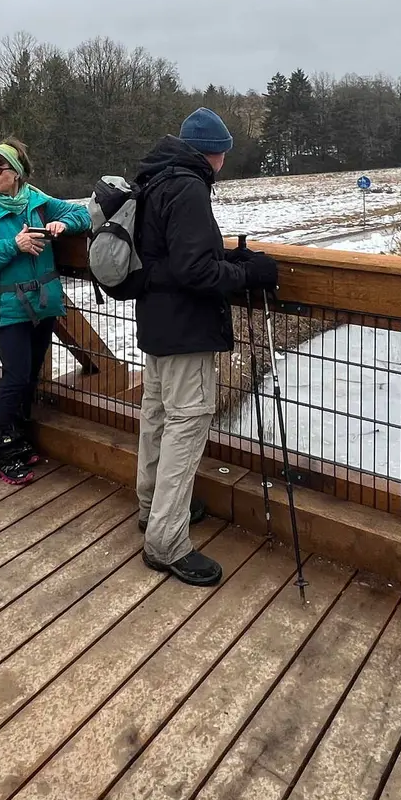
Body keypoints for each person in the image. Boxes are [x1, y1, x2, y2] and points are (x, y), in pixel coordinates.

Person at [132, 108, 278, 587]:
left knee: (157, 417)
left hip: (156, 323)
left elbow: (177, 256)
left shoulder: (155, 179)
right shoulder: (189, 187)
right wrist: (248, 274)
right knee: (186, 424)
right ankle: (166, 542)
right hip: (187, 328)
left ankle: (153, 510)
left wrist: (229, 256)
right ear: (216, 154)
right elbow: (196, 272)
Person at [0, 139, 90, 483]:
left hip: (43, 303)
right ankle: (0, 449)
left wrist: (65, 226)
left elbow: (82, 213)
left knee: (30, 376)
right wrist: (12, 245)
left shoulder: (38, 201)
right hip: (9, 306)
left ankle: (18, 440)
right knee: (15, 377)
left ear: (16, 173)